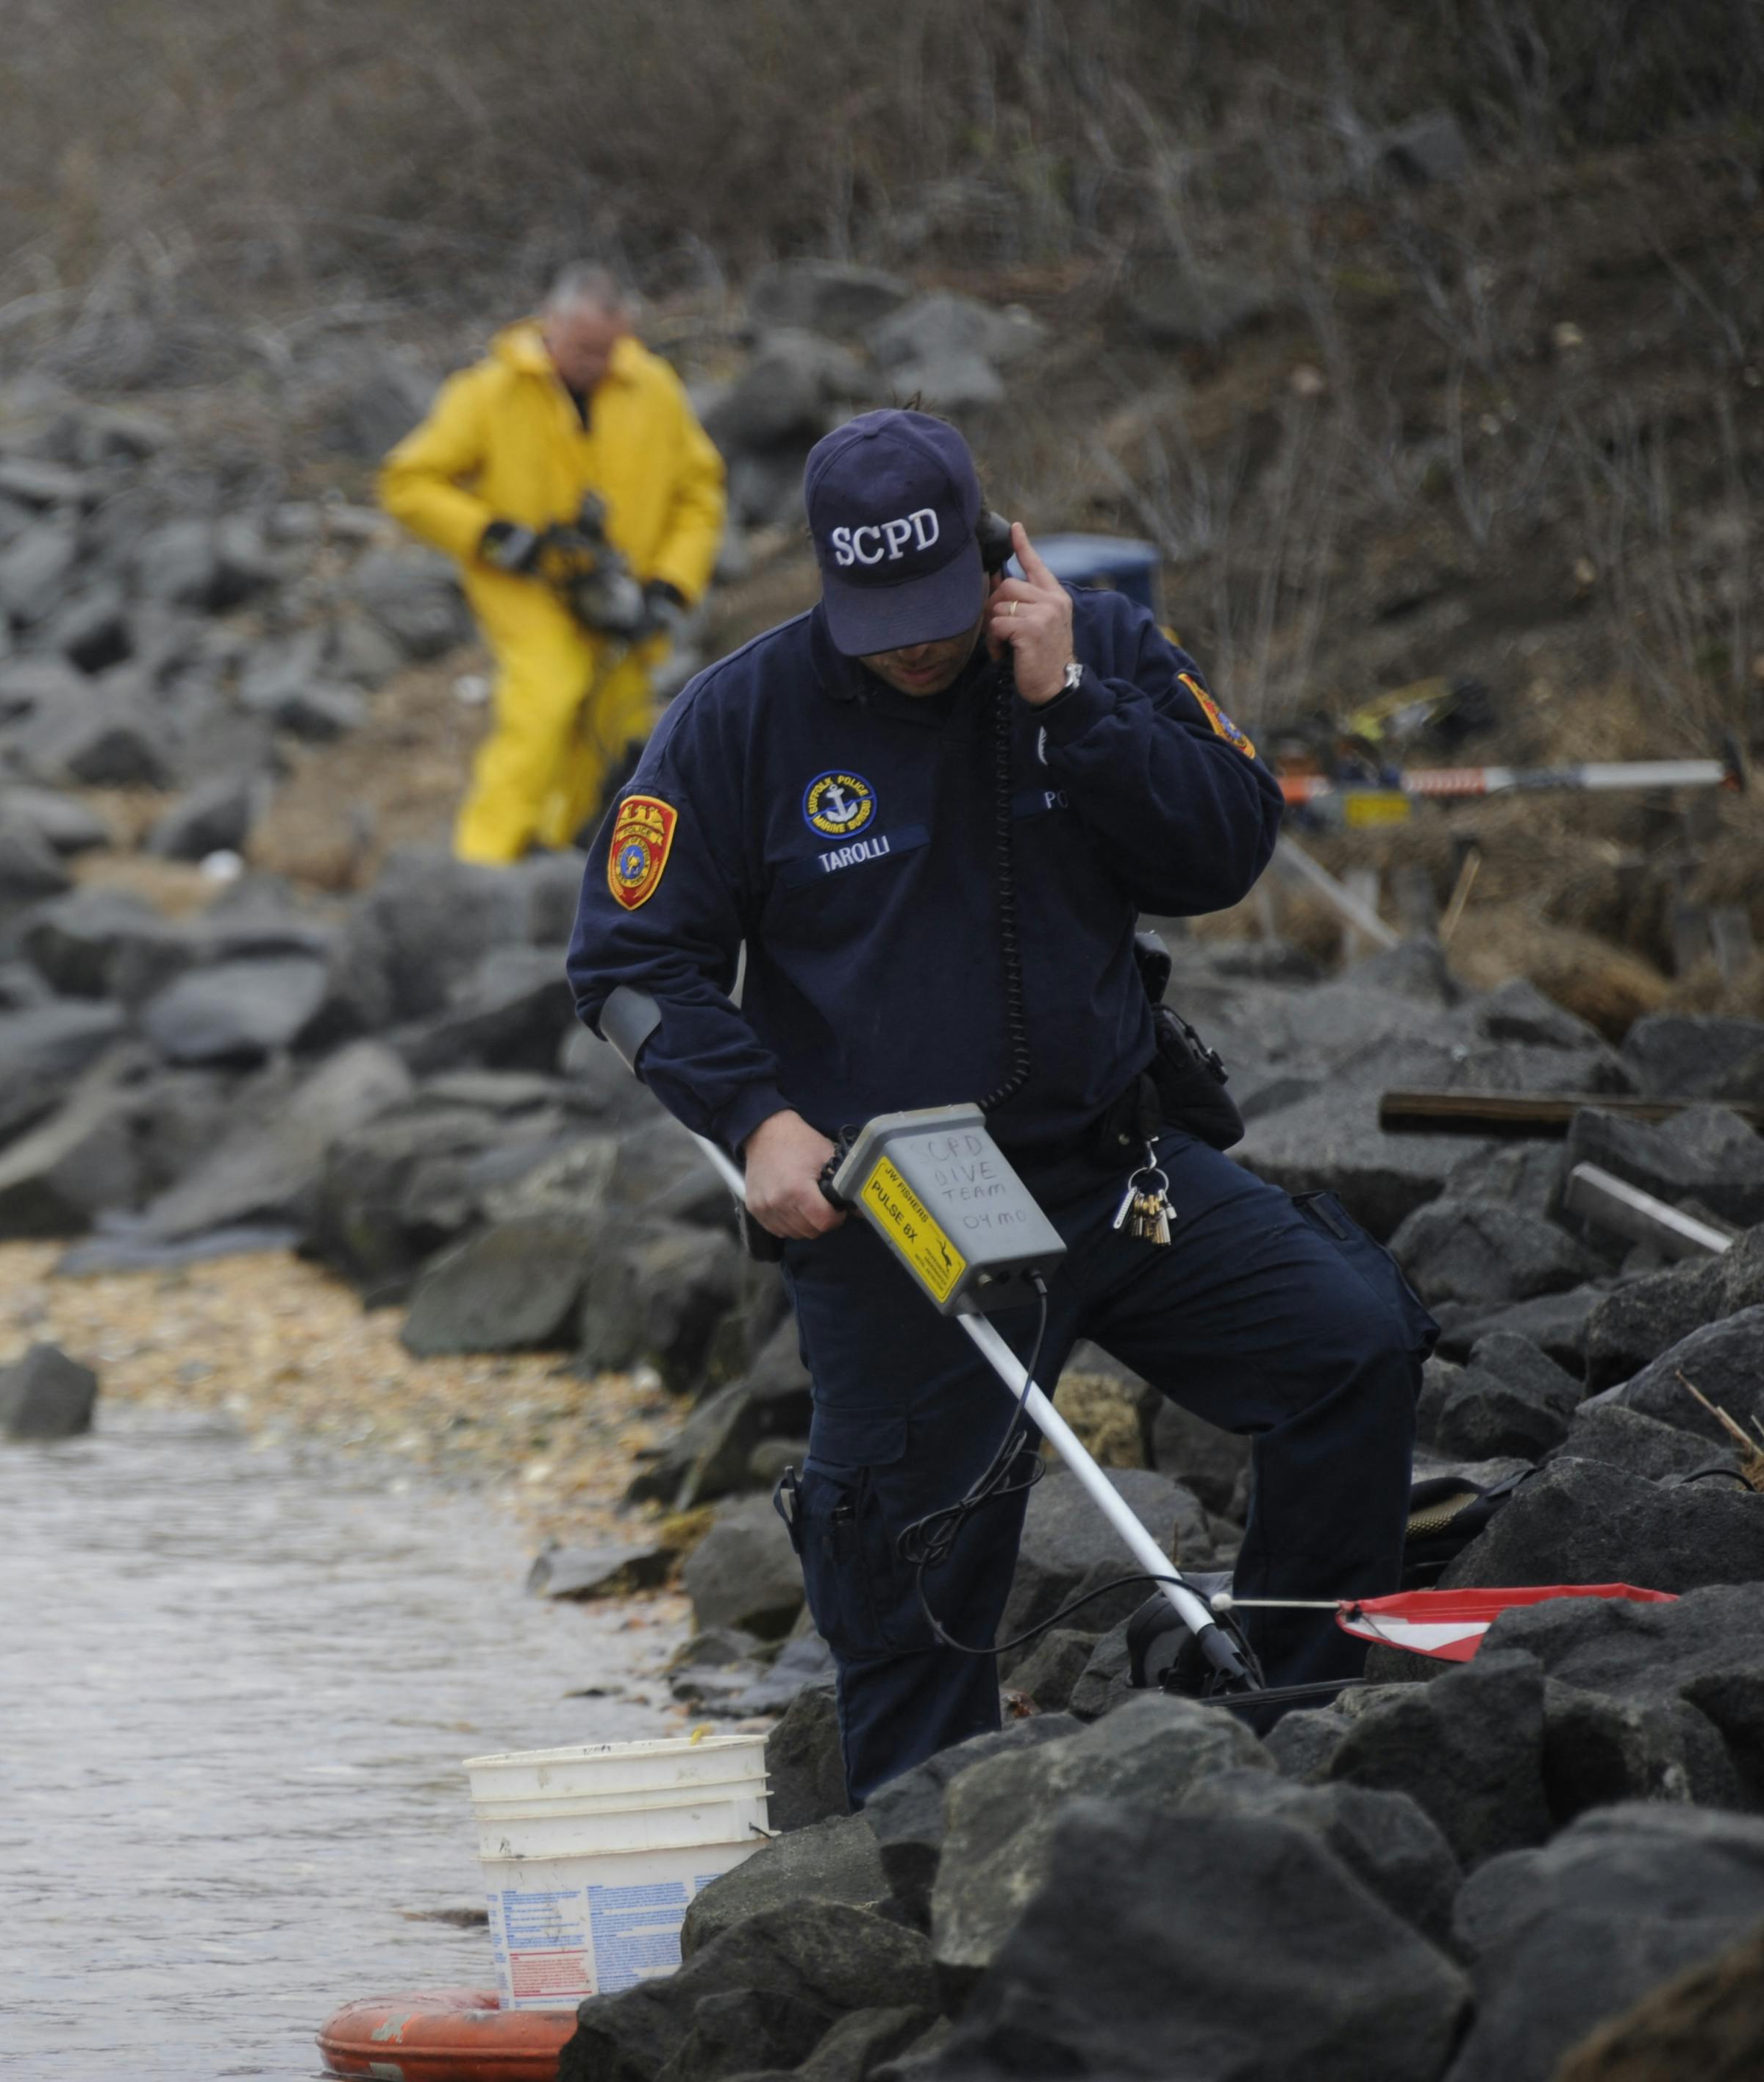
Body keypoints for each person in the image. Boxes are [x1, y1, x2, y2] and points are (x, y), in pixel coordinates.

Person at [565, 409, 1433, 1805]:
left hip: (1115, 1169)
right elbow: (624, 964)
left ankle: (1292, 1728)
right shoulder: (739, 719)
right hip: (894, 1214)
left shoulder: (1099, 651)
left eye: (938, 608)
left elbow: (1225, 845)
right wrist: (753, 1123)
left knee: (1350, 1344)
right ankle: (920, 1863)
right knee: (905, 1563)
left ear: (995, 554)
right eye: (879, 616)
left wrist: (1072, 704)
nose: (913, 644)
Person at [379, 264, 725, 865]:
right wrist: (493, 537)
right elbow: (408, 482)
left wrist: (671, 586)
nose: (598, 361)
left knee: (616, 719)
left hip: (626, 593)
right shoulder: (490, 390)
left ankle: (569, 857)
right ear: (551, 326)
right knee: (546, 695)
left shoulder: (654, 387)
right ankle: (482, 861)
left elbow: (699, 493)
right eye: (585, 348)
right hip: (525, 584)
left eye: (610, 348)